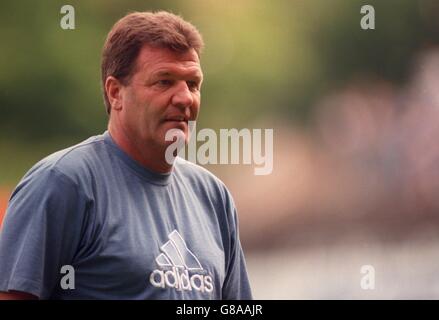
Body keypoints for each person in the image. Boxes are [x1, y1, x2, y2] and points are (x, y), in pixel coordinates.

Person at [0, 11, 252, 300]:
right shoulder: (62, 183)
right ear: (115, 92)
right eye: (164, 81)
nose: (185, 98)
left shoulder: (213, 197)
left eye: (193, 84)